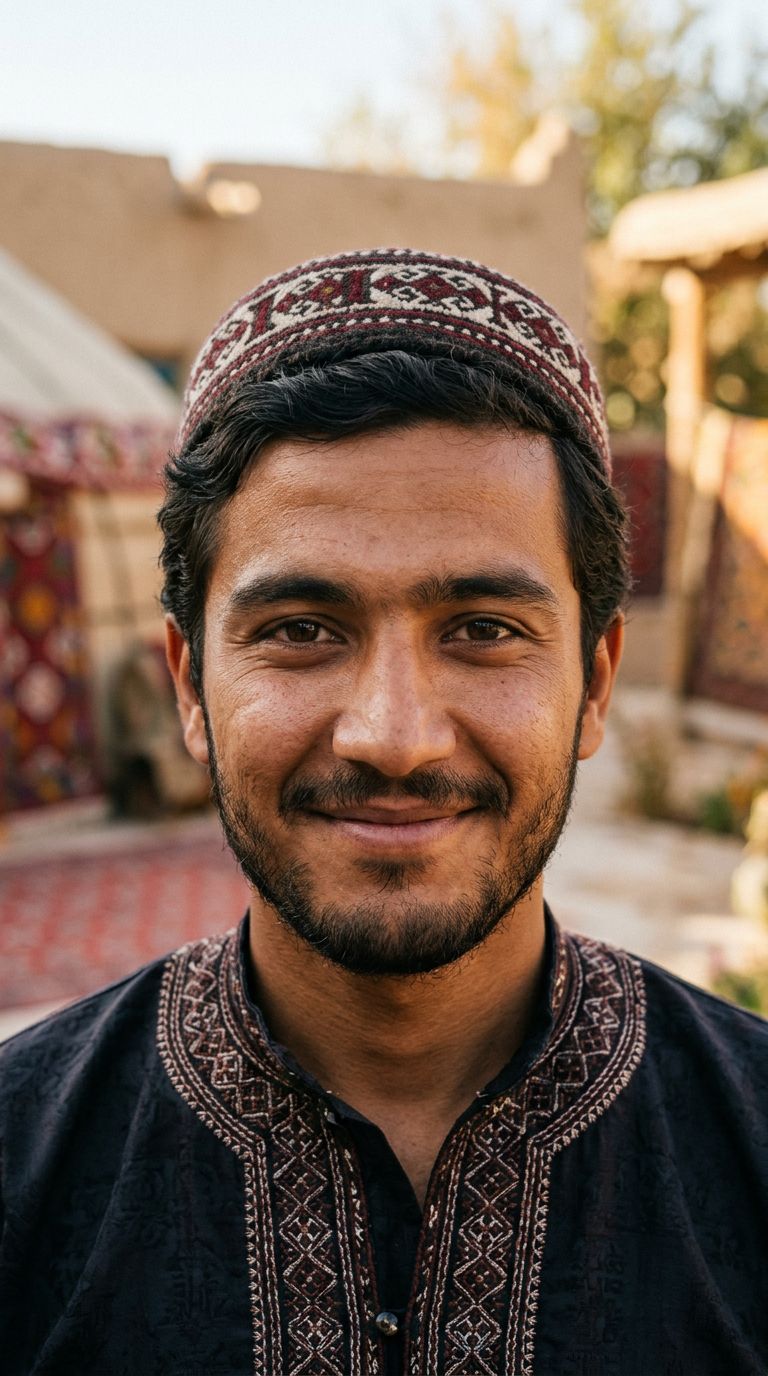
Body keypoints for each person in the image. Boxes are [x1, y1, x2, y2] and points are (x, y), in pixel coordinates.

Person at [1, 248, 766, 1376]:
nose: (395, 735)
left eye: (484, 628)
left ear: (595, 681)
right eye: (302, 628)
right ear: (189, 686)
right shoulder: (25, 1164)